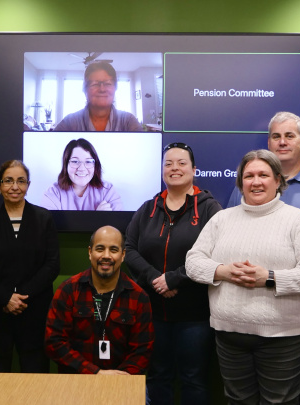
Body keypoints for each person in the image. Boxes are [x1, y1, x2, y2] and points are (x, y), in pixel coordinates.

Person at [186, 149, 300, 404]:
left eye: (263, 174)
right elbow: (193, 263)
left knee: (279, 402)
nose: (256, 181)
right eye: (248, 175)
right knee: (237, 401)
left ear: (277, 180)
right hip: (229, 334)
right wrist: (222, 272)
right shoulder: (221, 219)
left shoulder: (297, 221)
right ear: (241, 182)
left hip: (284, 337)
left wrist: (269, 277)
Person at [226, 111, 300, 404]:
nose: (282, 142)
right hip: (252, 311)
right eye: (276, 137)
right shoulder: (246, 186)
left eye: (289, 136)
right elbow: (229, 235)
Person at [125, 142, 221, 405]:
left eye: (181, 163)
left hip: (195, 315)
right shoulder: (148, 208)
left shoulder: (210, 209)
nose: (174, 168)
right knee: (157, 376)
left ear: (194, 170)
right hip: (153, 312)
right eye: (168, 164)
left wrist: (175, 278)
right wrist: (157, 278)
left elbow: (216, 254)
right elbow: (129, 249)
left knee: (194, 378)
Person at [0, 160, 59, 373]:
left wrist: (21, 297)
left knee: (36, 369)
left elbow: (52, 265)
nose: (15, 187)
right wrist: (5, 298)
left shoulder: (44, 218)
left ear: (28, 185)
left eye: (21, 181)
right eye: (9, 181)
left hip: (34, 308)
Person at [45, 226, 153, 375]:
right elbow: (54, 342)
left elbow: (143, 350)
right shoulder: (68, 290)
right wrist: (95, 373)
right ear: (90, 252)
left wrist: (119, 379)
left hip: (122, 381)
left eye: (113, 250)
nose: (106, 256)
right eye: (100, 249)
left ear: (123, 255)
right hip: (77, 380)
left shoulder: (139, 297)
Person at [53, 62, 142, 132]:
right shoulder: (69, 123)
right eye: (95, 84)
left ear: (115, 88)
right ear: (85, 89)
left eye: (108, 83)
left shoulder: (128, 121)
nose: (102, 89)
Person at [41, 138, 122, 211]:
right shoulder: (53, 193)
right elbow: (48, 226)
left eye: (88, 161)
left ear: (95, 165)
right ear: (66, 165)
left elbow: (117, 225)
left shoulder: (107, 191)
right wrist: (97, 218)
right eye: (75, 161)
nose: (82, 168)